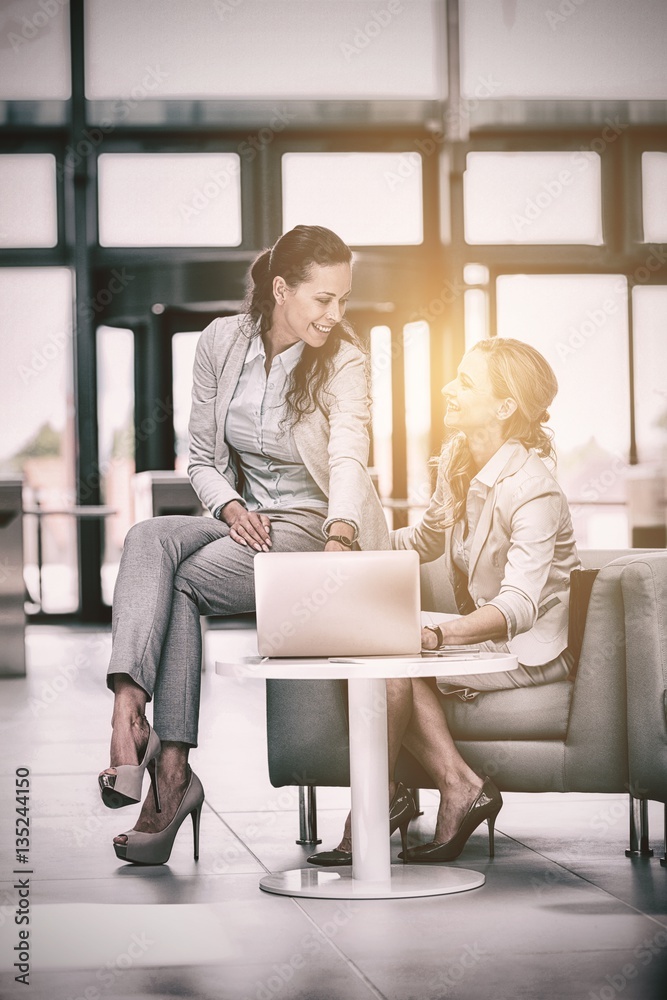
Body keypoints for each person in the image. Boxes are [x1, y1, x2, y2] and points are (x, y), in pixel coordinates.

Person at [99, 225, 390, 866]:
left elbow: (348, 456)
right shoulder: (220, 343)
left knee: (175, 579)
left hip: (315, 527)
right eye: (322, 300)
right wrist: (229, 505)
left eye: (343, 299)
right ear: (281, 289)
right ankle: (133, 719)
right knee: (148, 537)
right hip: (247, 517)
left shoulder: (345, 358)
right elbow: (201, 458)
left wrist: (341, 533)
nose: (335, 314)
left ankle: (161, 766)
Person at [308, 336, 581, 867]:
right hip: (485, 631)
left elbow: (518, 606)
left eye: (466, 381)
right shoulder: (460, 460)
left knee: (388, 652)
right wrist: (354, 541)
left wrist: (434, 635)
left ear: (504, 407)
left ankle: (391, 798)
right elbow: (426, 542)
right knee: (373, 644)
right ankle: (451, 786)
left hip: (529, 647)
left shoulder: (534, 489)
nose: (447, 388)